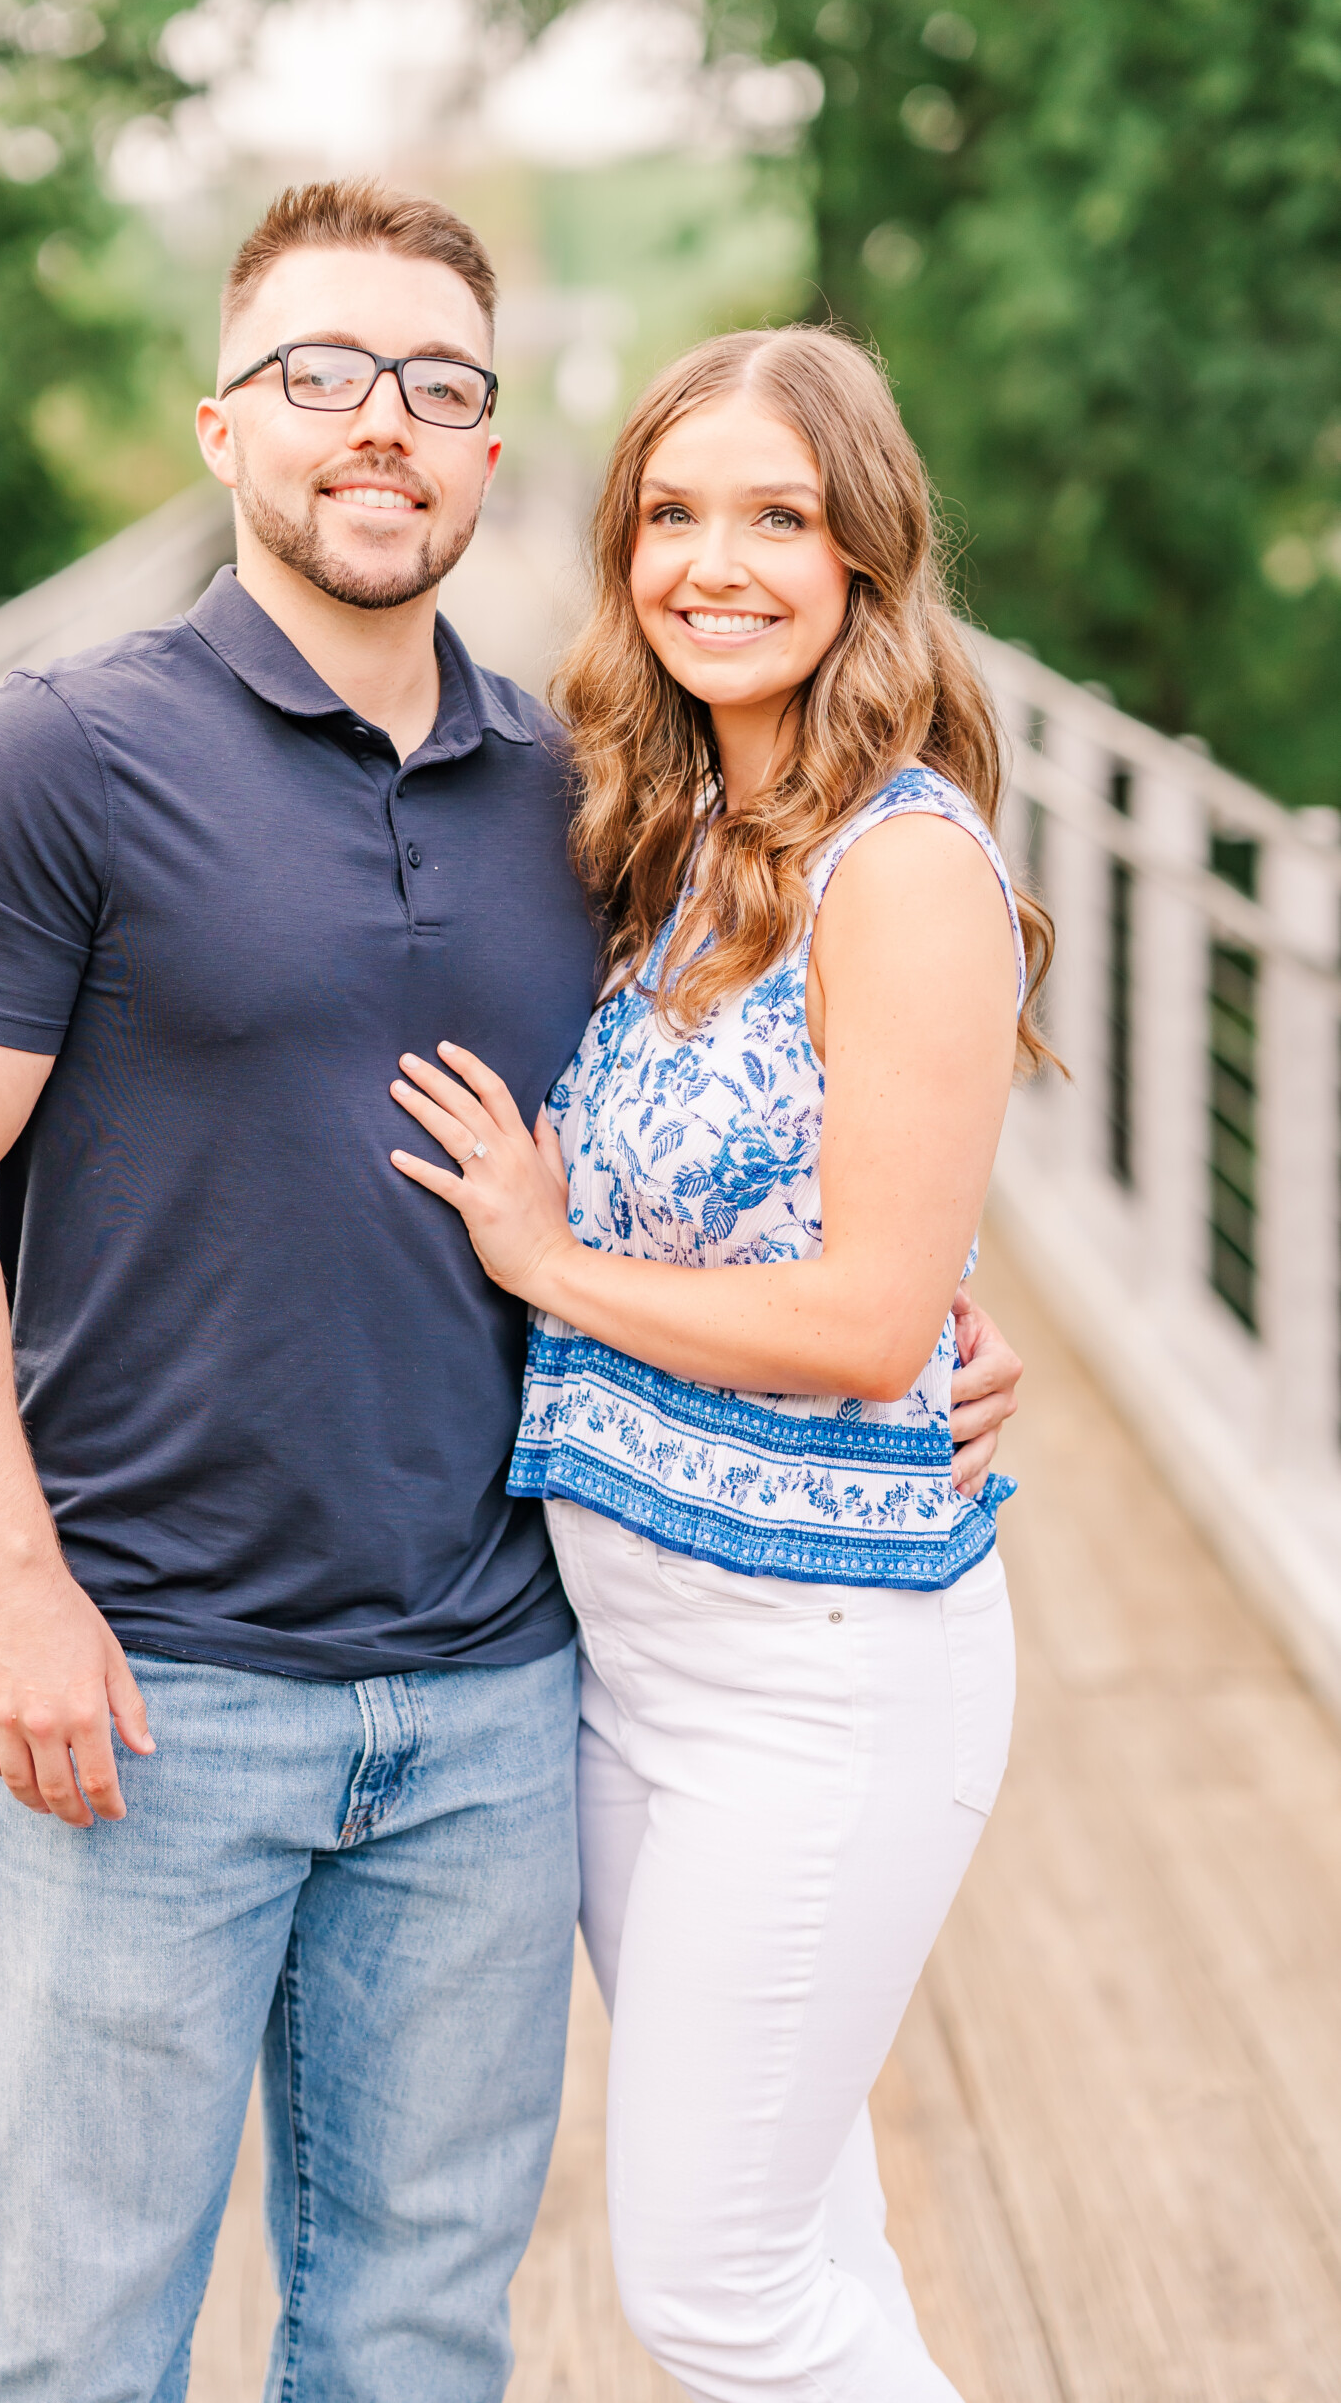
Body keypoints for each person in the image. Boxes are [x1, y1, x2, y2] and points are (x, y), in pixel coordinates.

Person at [0, 182, 1024, 2403]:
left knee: (408, 2341)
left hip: (502, 1698)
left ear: (493, 454)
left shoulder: (595, 796)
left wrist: (923, 1329)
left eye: (436, 388)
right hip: (150, 1687)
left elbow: (770, 1122)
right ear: (218, 427)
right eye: (318, 375)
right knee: (69, 2339)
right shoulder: (50, 761)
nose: (377, 425)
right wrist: (3, 1579)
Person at [385, 325, 1052, 2402]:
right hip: (635, 1668)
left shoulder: (906, 864)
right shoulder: (670, 835)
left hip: (817, 1677)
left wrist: (545, 1258)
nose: (715, 561)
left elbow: (863, 1317)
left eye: (777, 514)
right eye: (671, 514)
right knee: (808, 2241)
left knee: (713, 2292)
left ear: (864, 553)